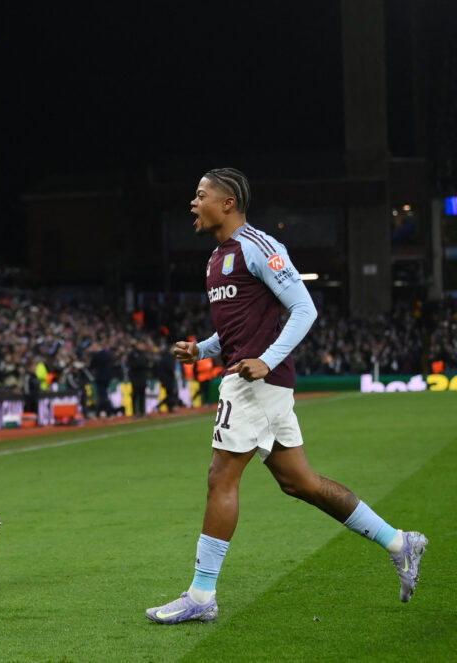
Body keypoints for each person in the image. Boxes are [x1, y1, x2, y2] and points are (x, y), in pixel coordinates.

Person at [146, 168, 428, 624]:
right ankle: (400, 542)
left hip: (254, 382)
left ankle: (201, 595)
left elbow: (304, 308)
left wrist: (266, 360)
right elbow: (235, 331)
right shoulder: (217, 258)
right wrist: (202, 349)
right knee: (301, 482)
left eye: (200, 195)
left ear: (228, 203)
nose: (193, 203)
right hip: (255, 378)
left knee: (221, 478)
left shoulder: (259, 246)